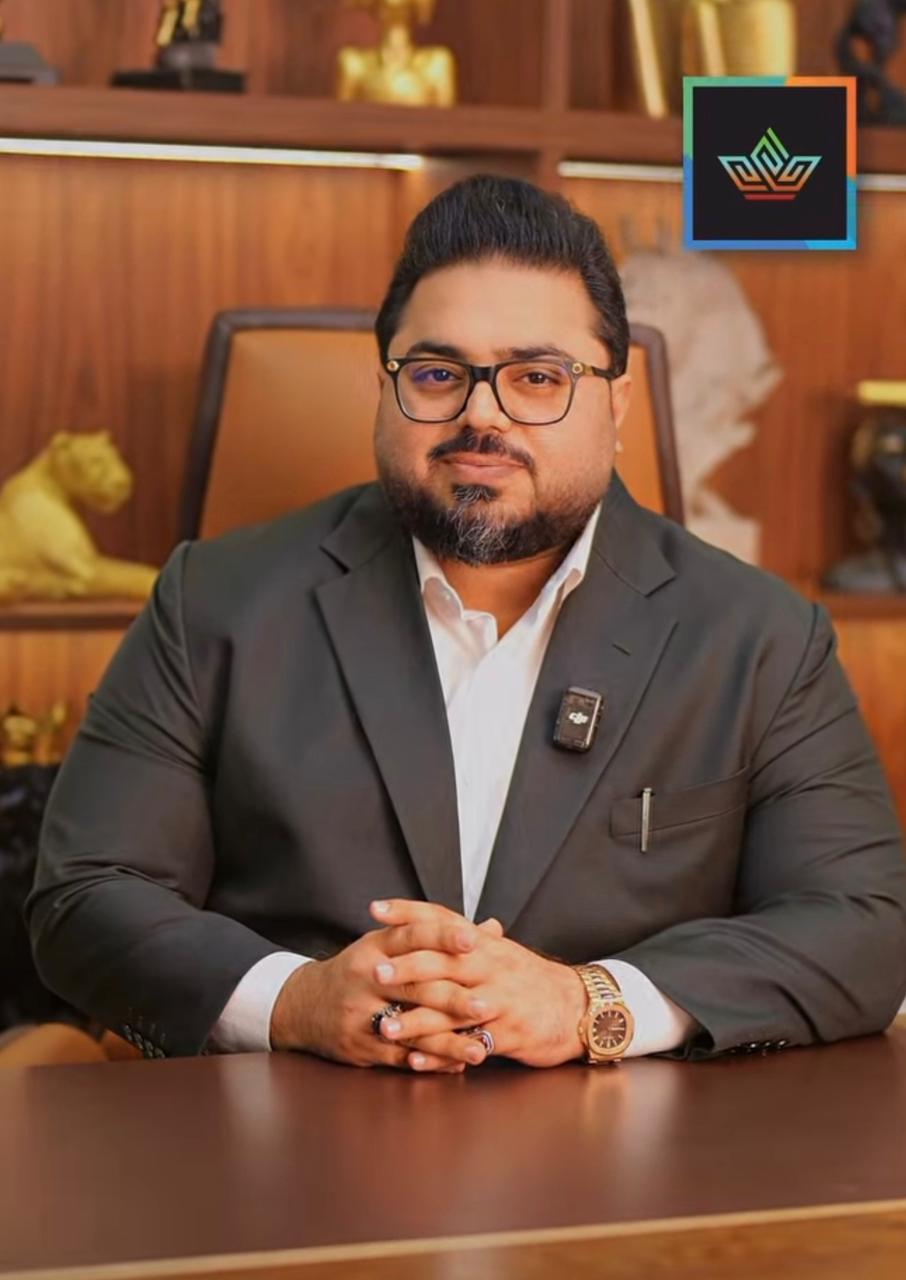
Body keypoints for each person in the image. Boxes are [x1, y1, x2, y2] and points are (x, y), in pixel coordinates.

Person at [27, 175, 906, 1072]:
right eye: (438, 374)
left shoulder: (759, 639)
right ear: (384, 389)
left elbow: (864, 926)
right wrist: (295, 1000)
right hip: (287, 1127)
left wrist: (588, 1003)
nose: (482, 413)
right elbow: (84, 895)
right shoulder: (212, 602)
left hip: (628, 1141)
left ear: (617, 404)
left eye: (538, 377)